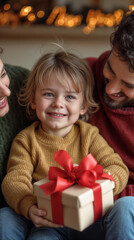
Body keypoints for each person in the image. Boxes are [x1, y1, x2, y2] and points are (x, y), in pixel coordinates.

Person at [0, 48, 128, 240]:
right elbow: (15, 179)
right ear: (33, 100)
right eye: (49, 94)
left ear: (83, 106)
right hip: (50, 222)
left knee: (127, 206)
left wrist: (102, 181)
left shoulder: (88, 135)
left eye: (69, 97)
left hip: (91, 219)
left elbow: (117, 166)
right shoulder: (26, 140)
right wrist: (29, 205)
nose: (58, 103)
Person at [69, 11, 134, 240]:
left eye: (127, 85)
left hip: (121, 206)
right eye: (110, 70)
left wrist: (98, 191)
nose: (109, 89)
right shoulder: (82, 77)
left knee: (126, 207)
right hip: (73, 205)